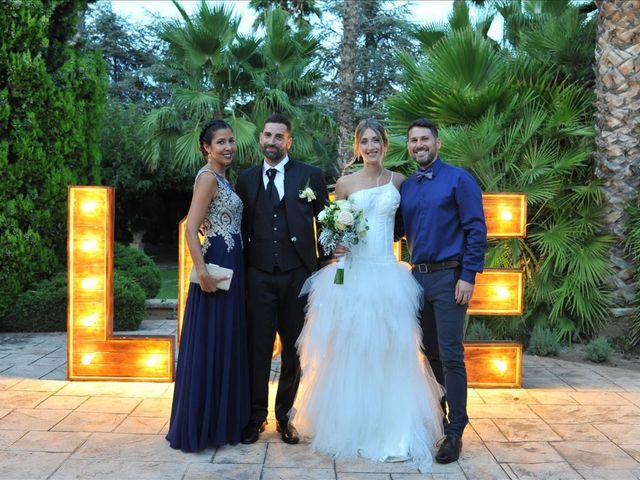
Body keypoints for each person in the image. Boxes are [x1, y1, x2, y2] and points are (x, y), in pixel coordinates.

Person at [291, 119, 445, 472]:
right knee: (351, 350)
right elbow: (329, 231)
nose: (371, 146)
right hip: (352, 276)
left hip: (388, 275)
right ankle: (352, 427)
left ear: (385, 144)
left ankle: (390, 427)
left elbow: (408, 227)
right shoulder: (344, 184)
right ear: (358, 147)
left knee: (391, 351)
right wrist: (336, 245)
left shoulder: (399, 182)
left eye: (376, 140)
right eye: (365, 141)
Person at [398, 118, 487, 464]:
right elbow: (397, 229)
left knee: (451, 354)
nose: (419, 145)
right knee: (429, 352)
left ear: (437, 143)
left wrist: (468, 275)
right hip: (416, 279)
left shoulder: (459, 180)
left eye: (424, 139)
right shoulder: (407, 186)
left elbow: (477, 230)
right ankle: (439, 414)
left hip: (450, 278)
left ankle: (455, 431)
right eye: (413, 140)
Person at [235, 113, 328, 445]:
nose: (271, 142)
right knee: (257, 349)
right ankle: (255, 416)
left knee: (294, 351)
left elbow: (327, 222)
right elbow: (238, 224)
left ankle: (285, 417)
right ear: (261, 138)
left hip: (298, 278)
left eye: (279, 137)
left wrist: (327, 261)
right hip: (258, 276)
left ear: (289, 141)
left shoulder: (310, 175)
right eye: (267, 135)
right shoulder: (245, 179)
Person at [166, 119, 250, 451]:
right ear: (206, 147)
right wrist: (201, 271)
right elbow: (190, 228)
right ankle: (202, 426)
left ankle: (220, 422)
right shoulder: (206, 178)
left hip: (233, 266)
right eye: (220, 142)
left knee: (225, 341)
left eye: (231, 141)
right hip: (214, 268)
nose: (228, 147)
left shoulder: (223, 179)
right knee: (210, 343)